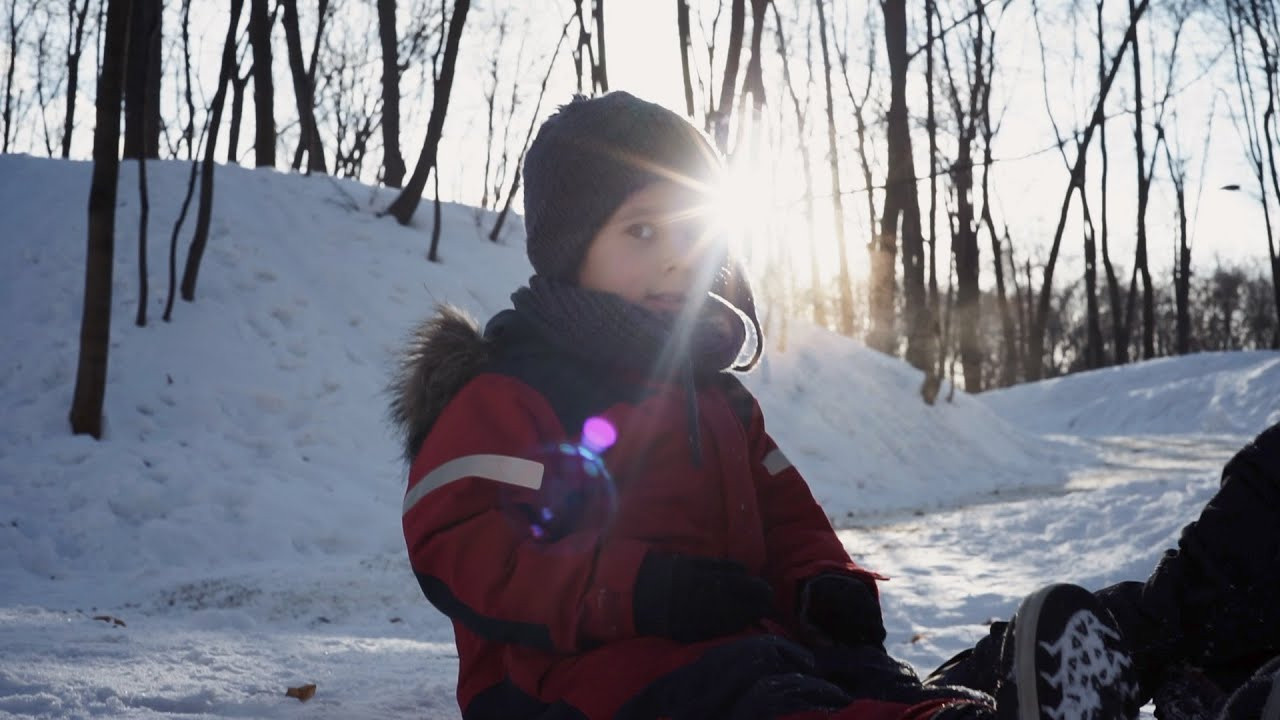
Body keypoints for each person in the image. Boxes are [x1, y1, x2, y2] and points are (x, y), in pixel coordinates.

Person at [389, 91, 1279, 720]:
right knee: (759, 698)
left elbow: (789, 518)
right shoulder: (516, 388)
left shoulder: (718, 398)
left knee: (849, 674)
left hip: (732, 643)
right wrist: (638, 591)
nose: (677, 257)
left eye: (694, 231)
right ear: (567, 251)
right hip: (577, 680)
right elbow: (467, 540)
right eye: (643, 230)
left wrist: (825, 583)